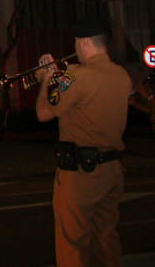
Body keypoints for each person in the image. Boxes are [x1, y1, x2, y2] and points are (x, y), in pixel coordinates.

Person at [35, 16, 131, 267]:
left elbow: (44, 113)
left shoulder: (77, 75)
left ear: (85, 42)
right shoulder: (121, 75)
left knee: (73, 243)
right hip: (111, 170)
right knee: (106, 237)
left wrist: (47, 80)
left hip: (80, 174)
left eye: (77, 42)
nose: (76, 48)